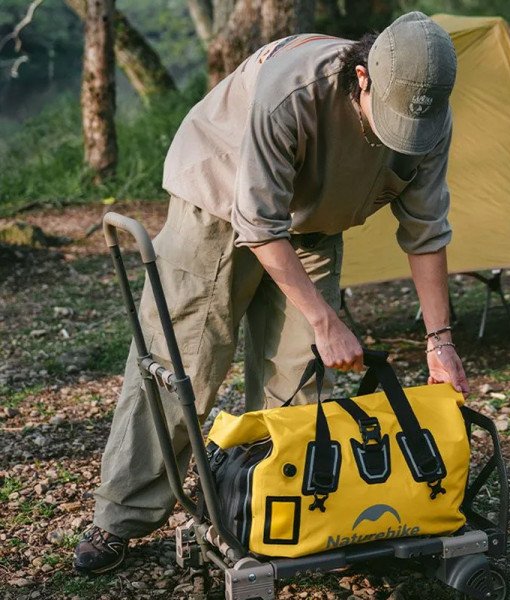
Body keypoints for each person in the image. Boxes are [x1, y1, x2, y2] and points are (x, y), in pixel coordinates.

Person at [74, 11, 469, 574]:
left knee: (300, 372)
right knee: (183, 362)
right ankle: (120, 517)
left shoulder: (429, 117)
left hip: (315, 220)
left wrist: (440, 340)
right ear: (363, 79)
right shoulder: (294, 90)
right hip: (217, 199)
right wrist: (326, 318)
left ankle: (272, 512)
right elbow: (258, 223)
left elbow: (426, 231)